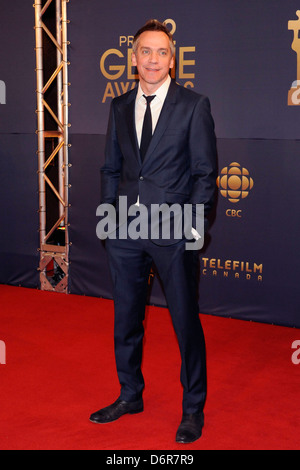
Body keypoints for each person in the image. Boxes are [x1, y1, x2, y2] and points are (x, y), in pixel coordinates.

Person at [90, 19, 217, 444]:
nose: (153, 59)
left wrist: (192, 228)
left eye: (162, 52)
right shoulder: (120, 106)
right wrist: (109, 220)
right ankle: (130, 394)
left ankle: (193, 409)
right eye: (146, 51)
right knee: (125, 319)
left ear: (172, 59)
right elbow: (111, 167)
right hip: (125, 229)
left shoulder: (194, 106)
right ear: (134, 57)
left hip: (173, 231)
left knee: (184, 322)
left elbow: (204, 174)